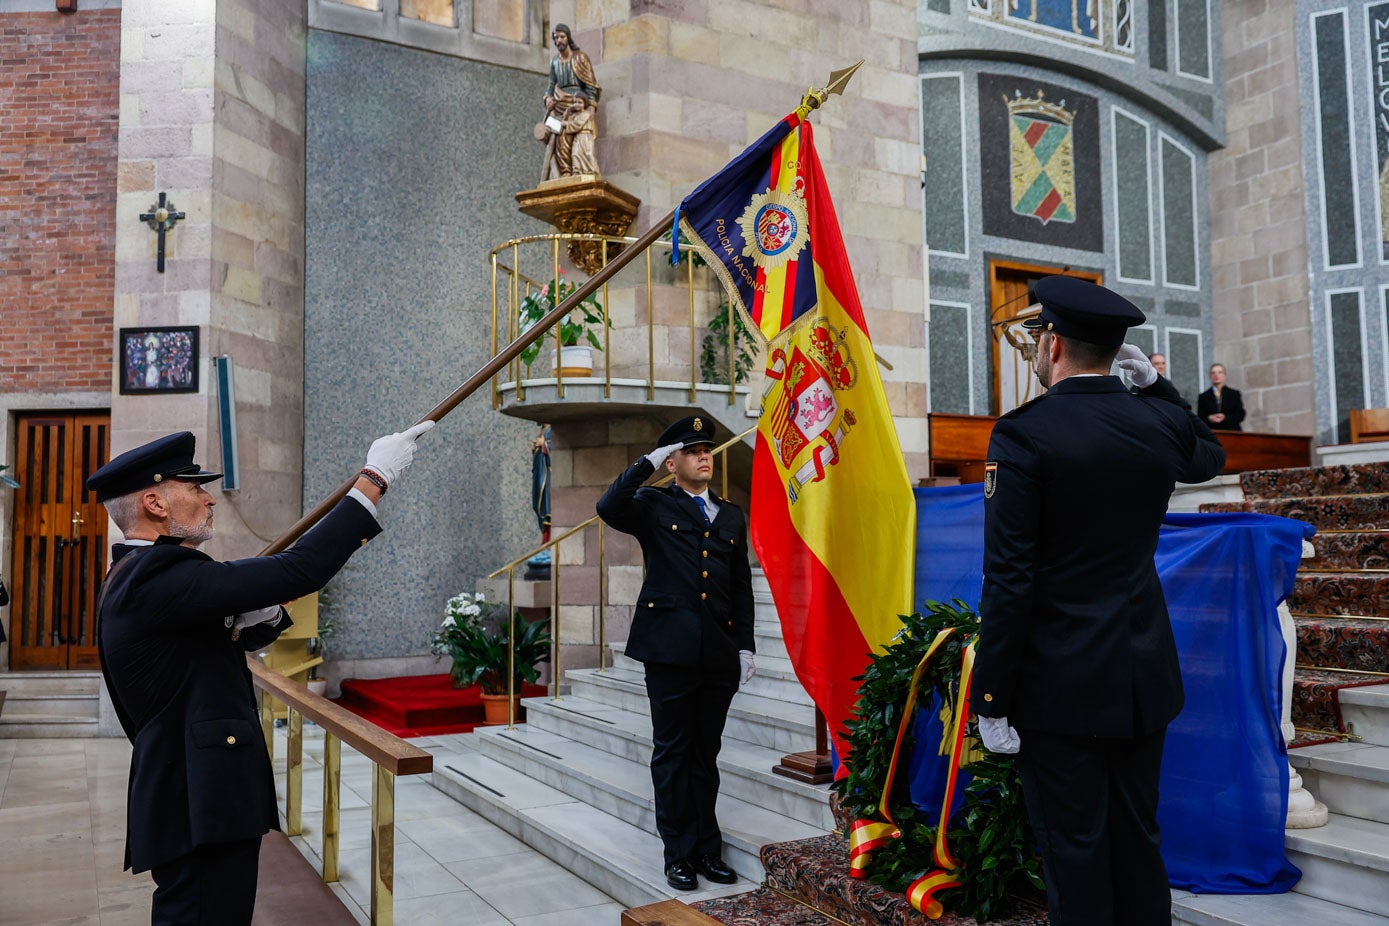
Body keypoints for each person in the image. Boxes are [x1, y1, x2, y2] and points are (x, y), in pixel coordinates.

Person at [89, 423, 433, 926]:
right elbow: (300, 569)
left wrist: (254, 615)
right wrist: (375, 477)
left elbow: (205, 652)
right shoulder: (160, 576)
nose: (209, 500)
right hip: (198, 799)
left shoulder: (136, 574)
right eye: (194, 488)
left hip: (192, 795)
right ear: (155, 504)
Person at [972, 276, 1225, 926]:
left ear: (1051, 345)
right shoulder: (1156, 421)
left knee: (1075, 854)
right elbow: (1208, 453)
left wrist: (992, 698)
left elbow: (1008, 579)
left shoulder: (1024, 434)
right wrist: (1156, 389)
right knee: (1137, 841)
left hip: (1062, 688)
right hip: (1142, 679)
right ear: (1117, 354)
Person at [596, 416, 755, 892]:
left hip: (719, 653)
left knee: (706, 754)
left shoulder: (729, 515)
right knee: (672, 753)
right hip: (669, 650)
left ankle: (708, 849)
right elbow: (607, 506)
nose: (705, 455)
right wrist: (644, 466)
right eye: (692, 450)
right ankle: (678, 853)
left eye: (707, 449)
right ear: (673, 462)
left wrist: (745, 644)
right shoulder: (651, 503)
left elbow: (741, 587)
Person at [540, 23, 601, 181]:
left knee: (575, 140)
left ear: (568, 38)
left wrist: (591, 110)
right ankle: (564, 171)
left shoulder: (580, 58)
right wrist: (548, 98)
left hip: (577, 104)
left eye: (561, 37)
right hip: (559, 106)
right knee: (557, 136)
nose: (558, 40)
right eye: (555, 38)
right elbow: (551, 85)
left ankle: (578, 169)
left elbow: (591, 86)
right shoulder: (554, 62)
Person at [1197, 362, 1245, 431]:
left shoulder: (1234, 394)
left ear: (1225, 375)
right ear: (1210, 376)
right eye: (1213, 373)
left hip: (1232, 432)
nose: (1216, 375)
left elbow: (1240, 415)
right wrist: (1210, 418)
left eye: (1220, 372)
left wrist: (1225, 417)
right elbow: (1200, 417)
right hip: (1212, 432)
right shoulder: (1203, 396)